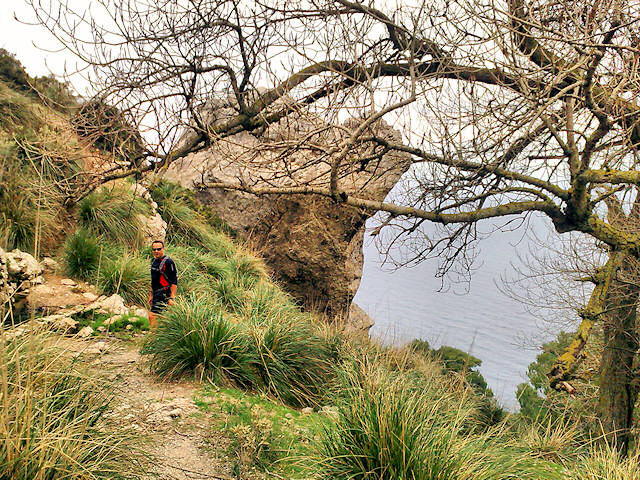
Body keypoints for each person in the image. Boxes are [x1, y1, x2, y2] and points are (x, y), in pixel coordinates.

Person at [148, 240, 178, 328]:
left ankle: (152, 336)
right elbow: (153, 280)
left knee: (152, 315)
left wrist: (172, 297)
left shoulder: (168, 262)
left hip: (164, 293)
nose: (156, 251)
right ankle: (158, 335)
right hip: (156, 293)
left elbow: (174, 280)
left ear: (163, 249)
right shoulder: (153, 261)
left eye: (158, 249)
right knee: (160, 316)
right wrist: (151, 295)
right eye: (154, 249)